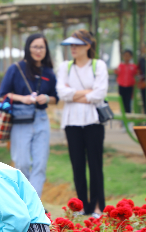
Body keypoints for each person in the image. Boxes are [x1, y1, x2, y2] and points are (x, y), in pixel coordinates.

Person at [0, 33, 59, 198]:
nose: (39, 51)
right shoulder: (16, 69)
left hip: (41, 118)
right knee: (22, 162)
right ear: (28, 48)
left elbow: (55, 98)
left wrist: (47, 98)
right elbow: (2, 94)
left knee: (40, 164)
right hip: (20, 119)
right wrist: (22, 98)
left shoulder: (49, 72)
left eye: (42, 47)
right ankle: (24, 198)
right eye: (35, 47)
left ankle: (33, 204)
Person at [56, 29, 109, 218]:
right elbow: (62, 93)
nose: (73, 48)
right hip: (72, 123)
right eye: (71, 45)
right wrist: (87, 92)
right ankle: (82, 207)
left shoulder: (98, 65)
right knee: (77, 165)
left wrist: (74, 94)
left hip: (93, 121)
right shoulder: (65, 67)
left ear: (88, 45)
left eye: (77, 44)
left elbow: (100, 94)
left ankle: (97, 207)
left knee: (95, 165)